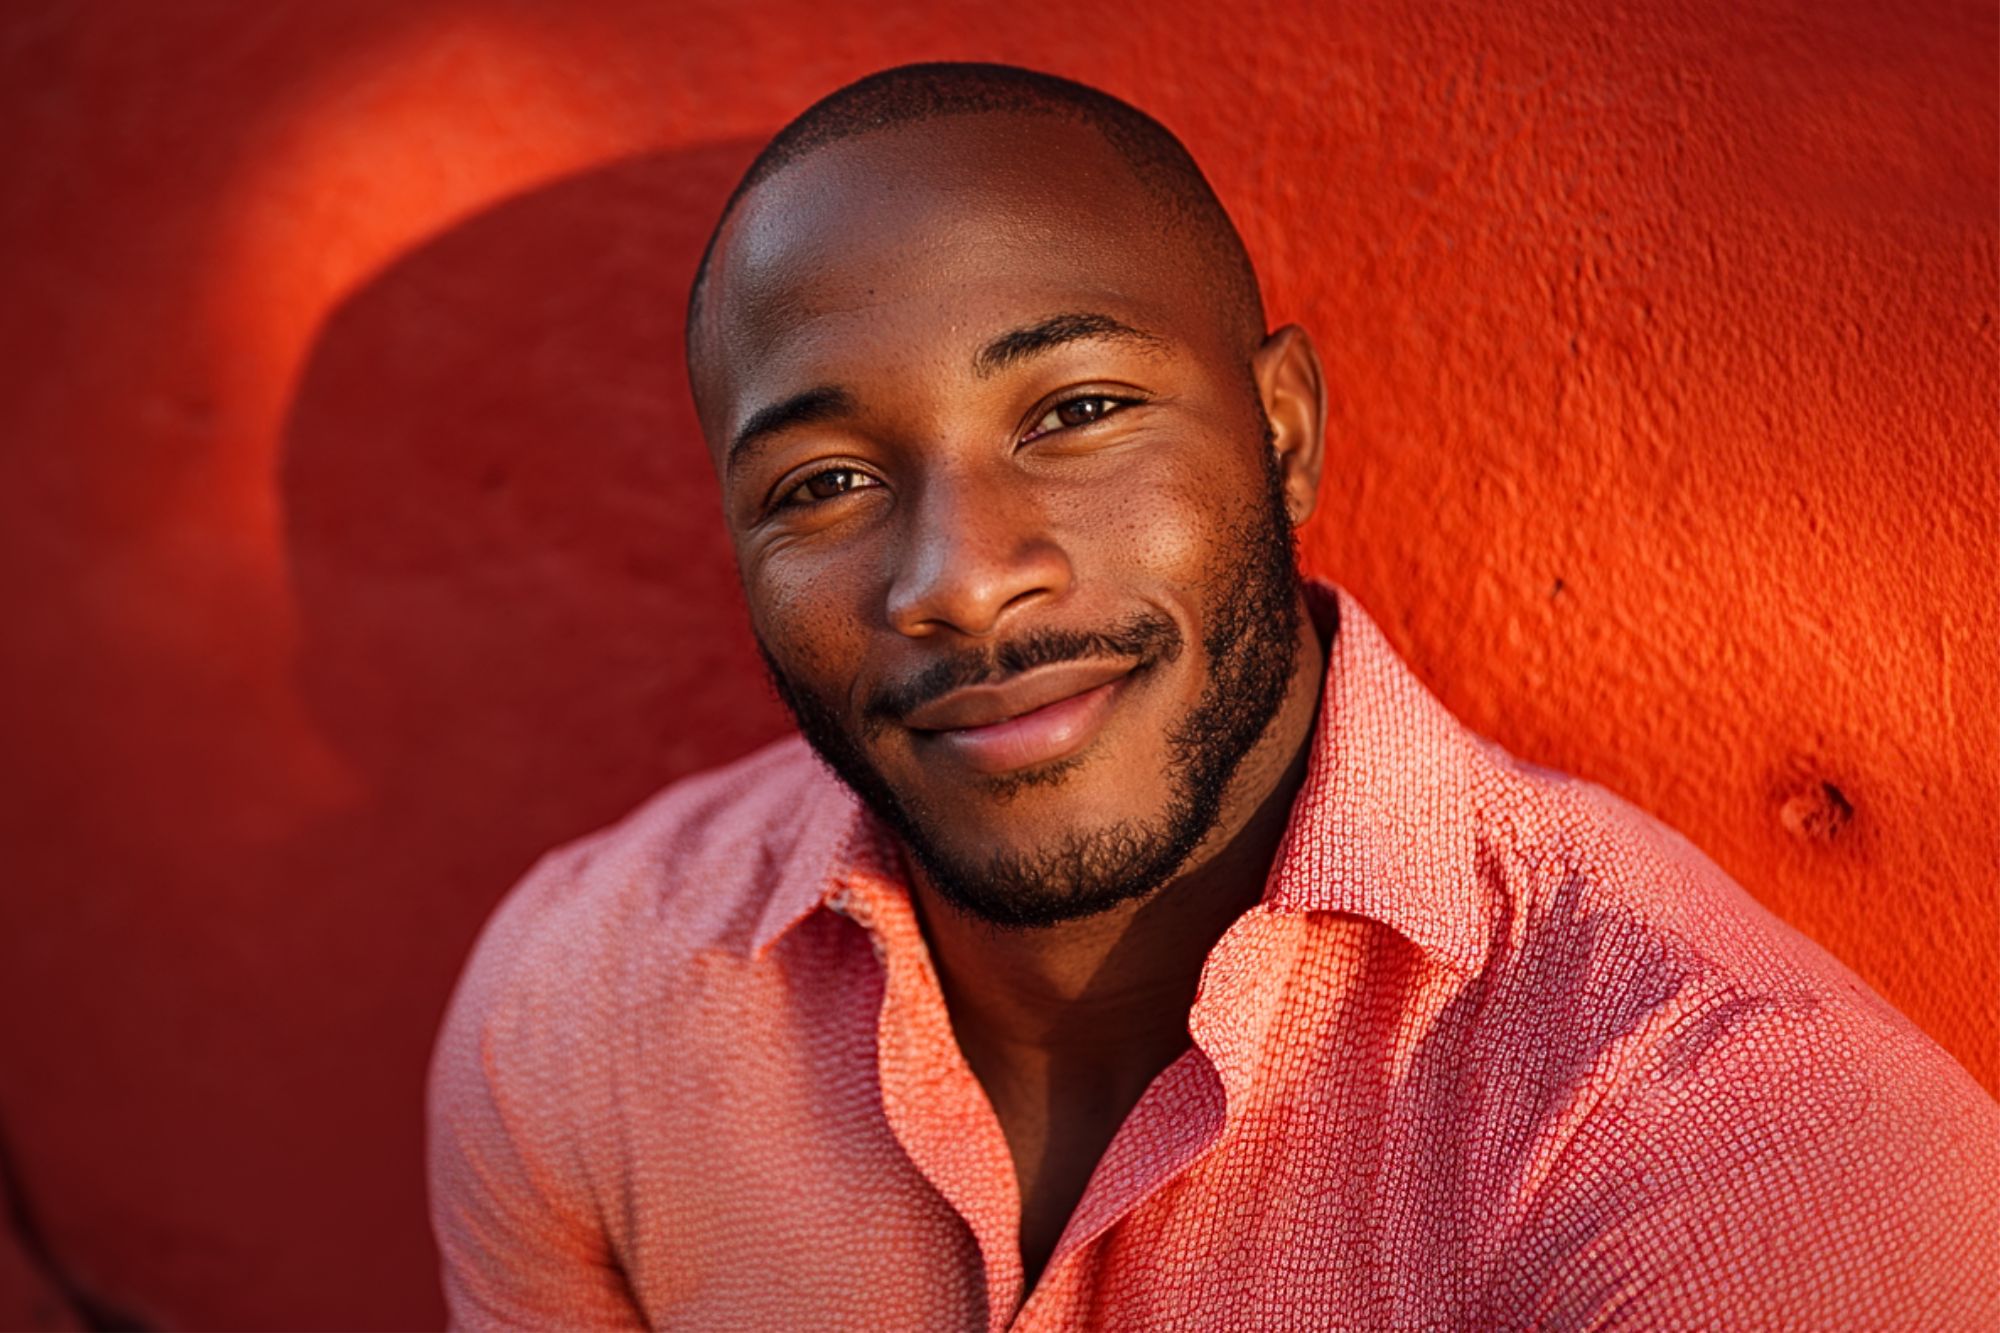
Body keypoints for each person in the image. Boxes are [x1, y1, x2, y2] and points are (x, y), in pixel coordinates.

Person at [425, 62, 2000, 1329]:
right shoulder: (595, 1001)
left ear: (1284, 431)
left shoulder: (1730, 1153)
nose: (960, 578)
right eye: (824, 480)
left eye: (1080, 408)